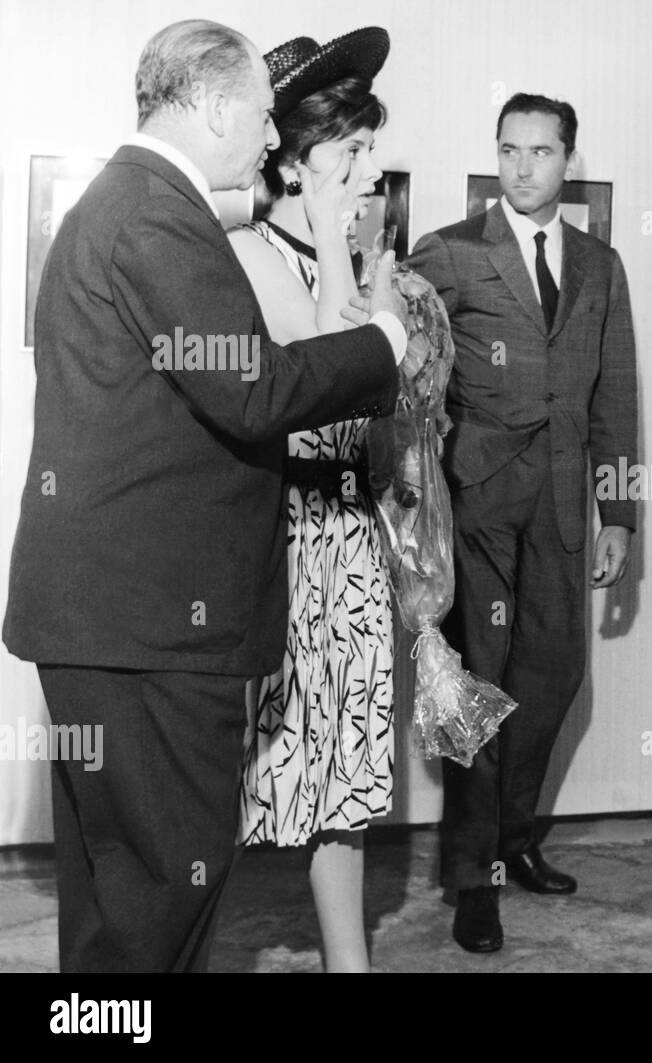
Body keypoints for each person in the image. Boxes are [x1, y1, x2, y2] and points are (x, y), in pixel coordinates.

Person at [1, 19, 411, 973]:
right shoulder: (155, 215)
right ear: (217, 106)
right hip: (148, 634)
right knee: (162, 894)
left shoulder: (132, 202)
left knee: (113, 898)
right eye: (265, 118)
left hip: (105, 625)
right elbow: (256, 390)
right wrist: (383, 340)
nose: (273, 142)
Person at [406, 93, 639, 953]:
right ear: (495, 155)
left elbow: (614, 394)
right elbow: (406, 367)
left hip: (563, 508)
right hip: (476, 507)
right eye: (510, 150)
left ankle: (509, 840)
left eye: (541, 152)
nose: (524, 167)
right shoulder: (453, 252)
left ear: (567, 159)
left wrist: (621, 513)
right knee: (476, 695)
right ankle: (473, 881)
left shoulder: (599, 265)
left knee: (554, 678)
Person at [225, 28, 402, 974]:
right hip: (281, 541)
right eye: (353, 150)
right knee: (252, 762)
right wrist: (342, 247)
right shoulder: (247, 258)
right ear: (295, 163)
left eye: (372, 149)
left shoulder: (365, 249)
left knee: (349, 771)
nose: (371, 170)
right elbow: (333, 368)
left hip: (353, 540)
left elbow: (379, 405)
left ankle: (350, 966)